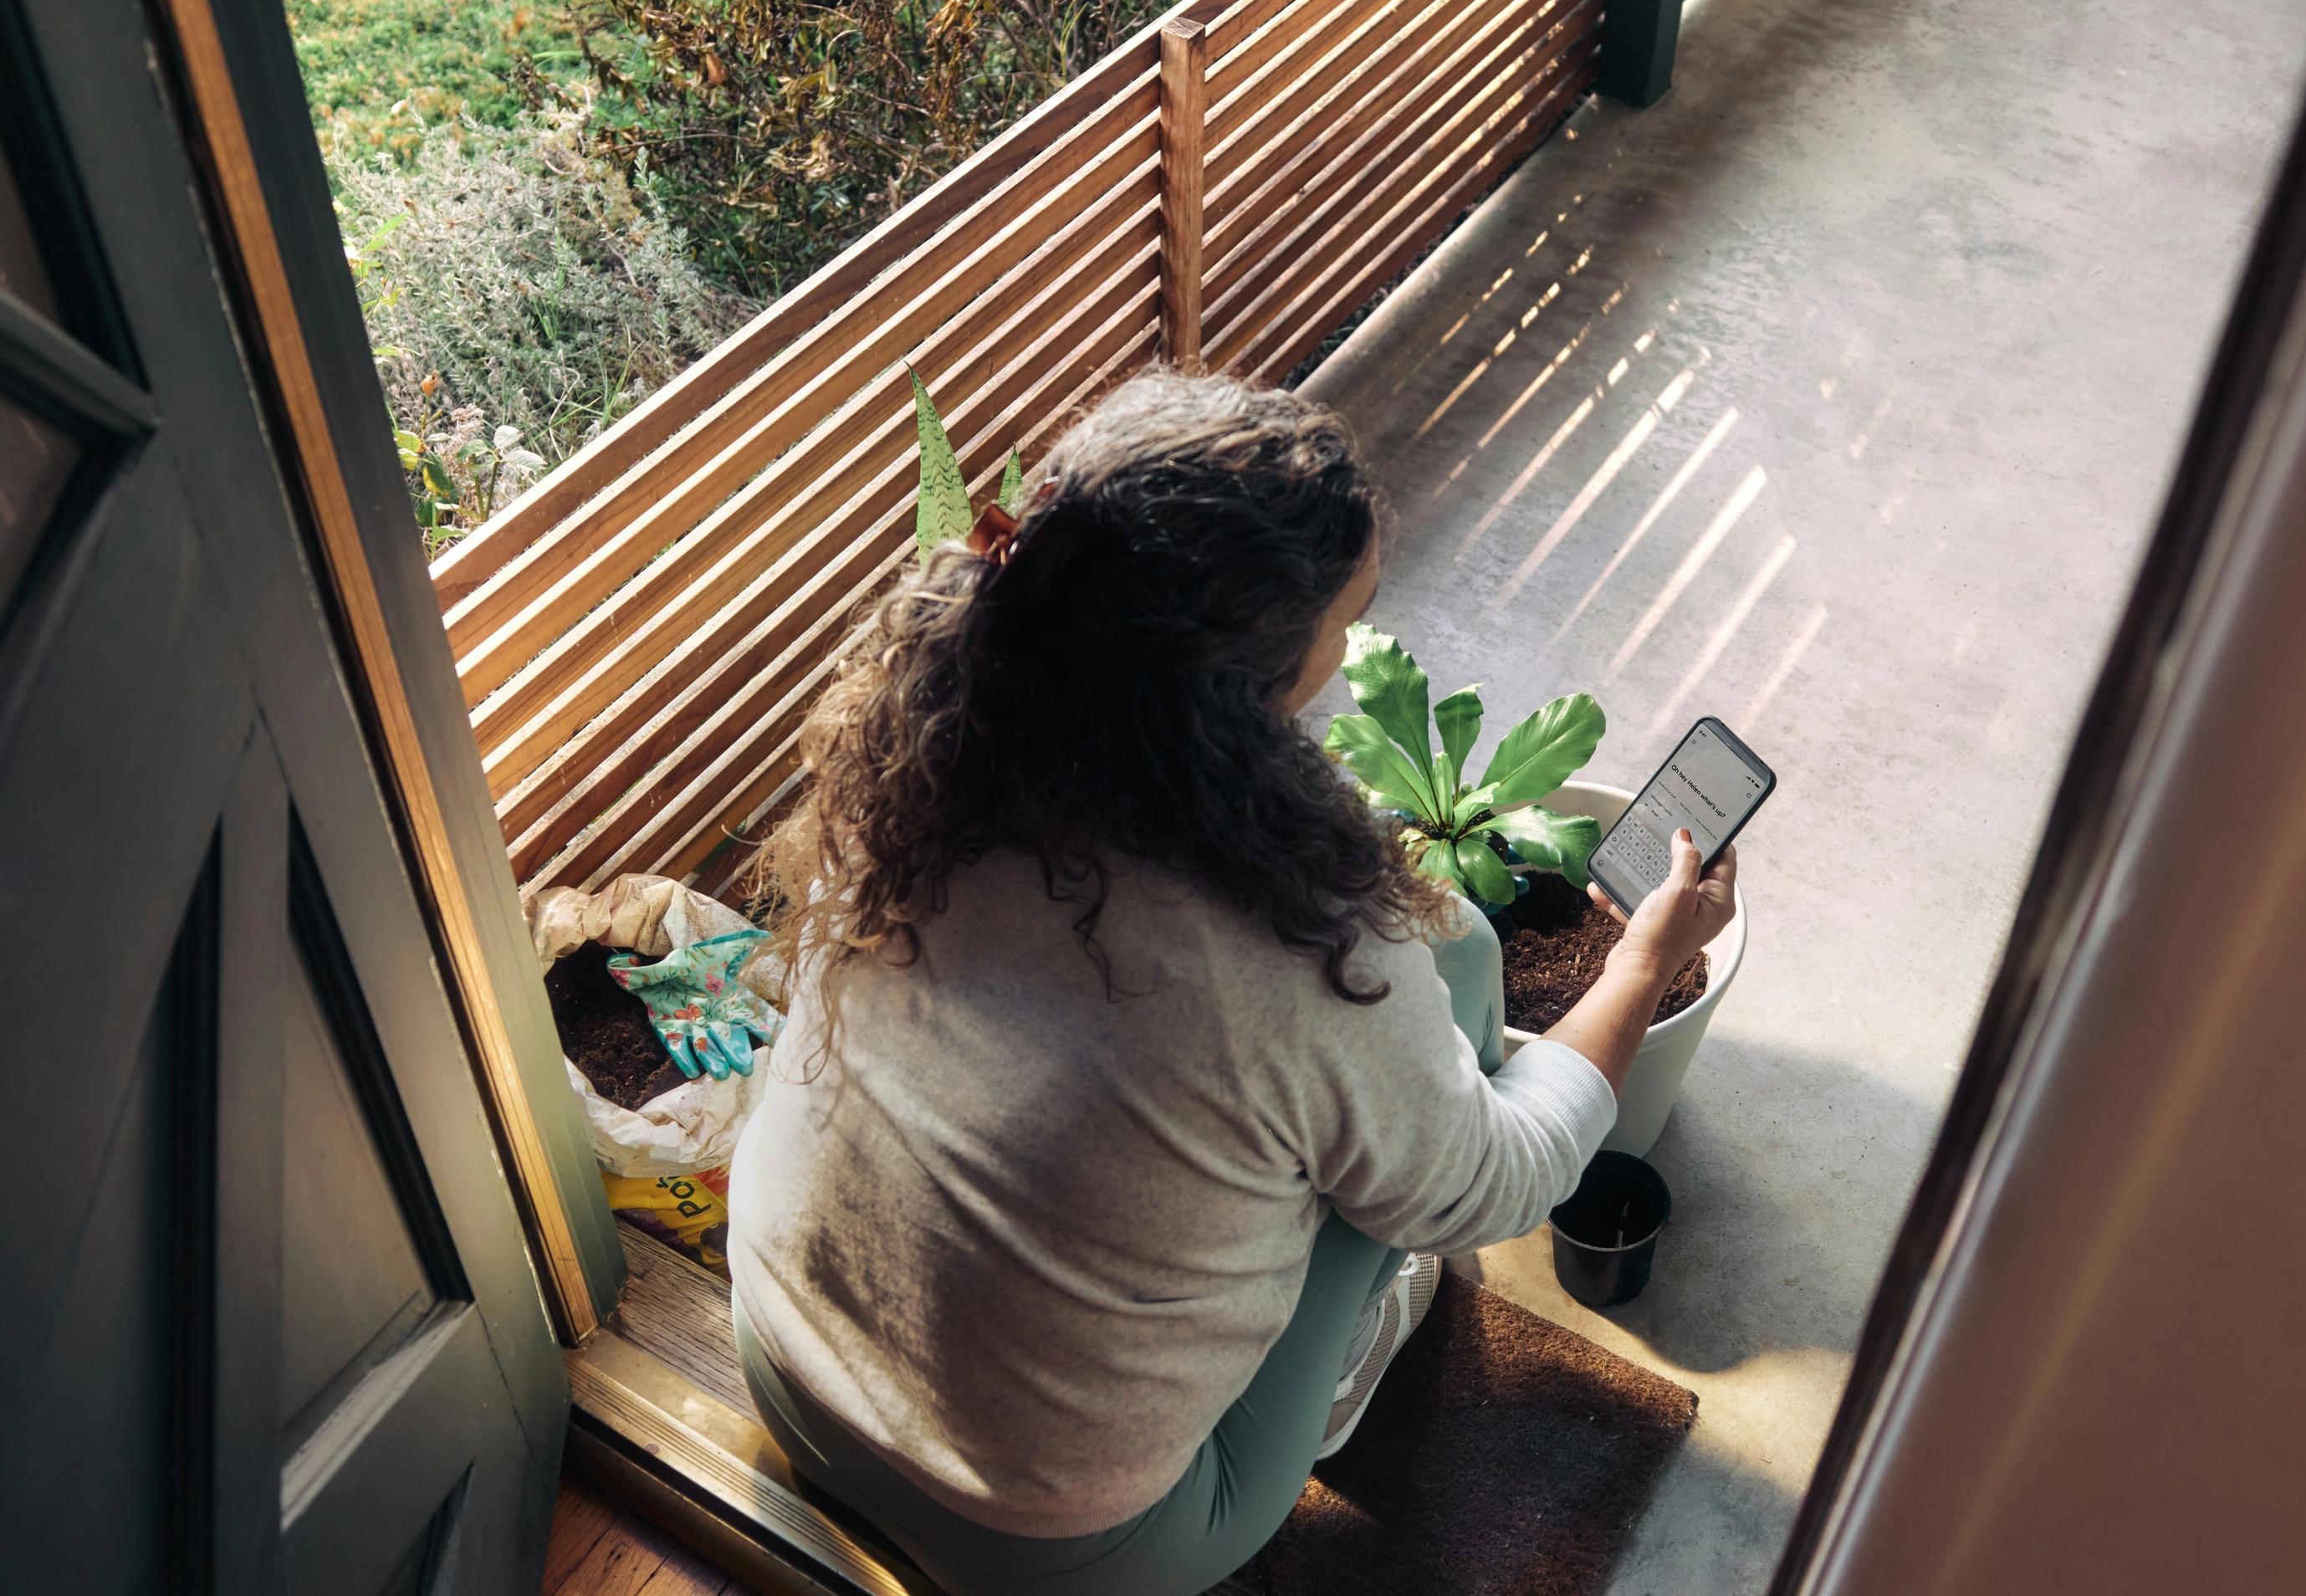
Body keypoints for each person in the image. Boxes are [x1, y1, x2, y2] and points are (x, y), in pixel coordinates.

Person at [727, 372, 1740, 1596]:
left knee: (1441, 964)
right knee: (1425, 1086)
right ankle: (1347, 1366)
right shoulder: (1307, 961)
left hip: (788, 1367)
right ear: (1240, 687)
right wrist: (1644, 957)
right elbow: (1504, 1181)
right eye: (1345, 624)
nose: (1351, 650)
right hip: (1065, 1549)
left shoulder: (914, 769)